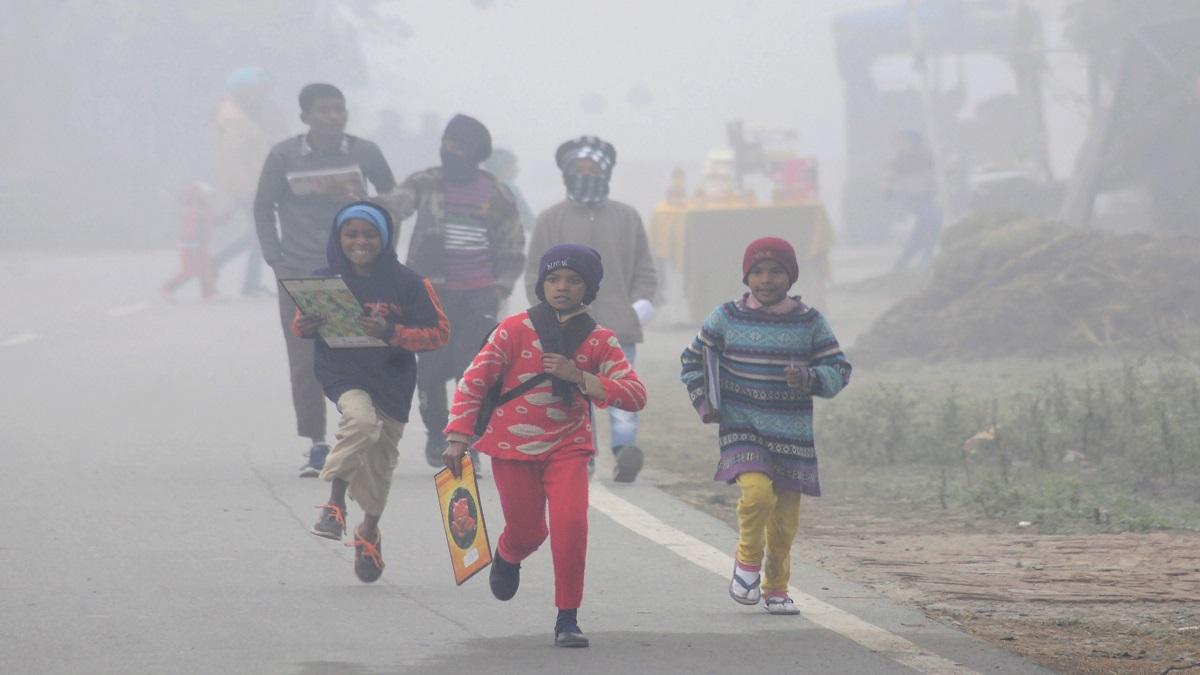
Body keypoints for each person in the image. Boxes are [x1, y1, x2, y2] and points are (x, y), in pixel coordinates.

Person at [442, 244, 647, 648]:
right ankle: (507, 553)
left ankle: (567, 618)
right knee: (529, 531)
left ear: (588, 288)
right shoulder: (514, 329)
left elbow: (635, 395)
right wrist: (457, 436)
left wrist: (581, 378)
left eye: (573, 280)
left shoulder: (600, 340)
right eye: (554, 279)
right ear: (541, 284)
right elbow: (474, 380)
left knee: (571, 524)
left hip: (568, 447)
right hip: (509, 447)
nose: (562, 287)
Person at [679, 237, 851, 615]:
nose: (766, 279)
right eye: (758, 271)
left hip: (791, 434)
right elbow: (692, 360)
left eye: (776, 271)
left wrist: (808, 377)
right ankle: (746, 564)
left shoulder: (809, 321)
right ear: (746, 276)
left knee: (785, 521)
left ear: (791, 276)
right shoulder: (725, 316)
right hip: (741, 426)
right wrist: (705, 401)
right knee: (756, 496)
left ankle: (776, 588)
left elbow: (839, 370)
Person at [297, 202, 449, 582]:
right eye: (352, 234)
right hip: (343, 373)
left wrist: (389, 332)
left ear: (384, 238)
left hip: (392, 380)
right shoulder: (323, 279)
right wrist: (310, 324)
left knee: (380, 466)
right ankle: (333, 507)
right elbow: (301, 325)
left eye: (369, 234)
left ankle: (368, 531)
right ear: (339, 238)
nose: (360, 242)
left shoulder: (409, 283)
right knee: (361, 423)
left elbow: (438, 334)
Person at [254, 83, 398, 477]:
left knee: (363, 355)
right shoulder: (283, 155)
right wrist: (275, 258)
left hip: (357, 268)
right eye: (324, 110)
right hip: (301, 272)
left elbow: (393, 198)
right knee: (305, 360)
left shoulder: (364, 152)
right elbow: (263, 206)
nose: (333, 116)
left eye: (339, 109)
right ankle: (316, 443)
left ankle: (362, 438)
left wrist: (384, 251)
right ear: (305, 118)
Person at [379, 114, 526, 468]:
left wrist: (500, 288)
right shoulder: (425, 183)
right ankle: (435, 433)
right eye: (446, 145)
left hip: (479, 295)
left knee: (471, 372)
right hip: (430, 294)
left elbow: (512, 247)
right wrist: (366, 202)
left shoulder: (498, 193)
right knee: (429, 371)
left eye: (459, 147)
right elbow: (396, 204)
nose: (450, 153)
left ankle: (468, 443)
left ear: (477, 153)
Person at [524, 136, 657, 482]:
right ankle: (581, 456)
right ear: (566, 174)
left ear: (607, 173)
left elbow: (646, 272)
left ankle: (624, 451)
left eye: (593, 169)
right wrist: (545, 313)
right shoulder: (549, 219)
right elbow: (533, 273)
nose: (586, 175)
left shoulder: (627, 217)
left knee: (620, 388)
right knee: (572, 393)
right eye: (579, 169)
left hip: (618, 327)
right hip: (565, 327)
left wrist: (637, 310)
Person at [211, 66, 287, 296]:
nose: (264, 95)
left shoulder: (246, 116)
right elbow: (232, 161)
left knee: (256, 234)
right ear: (243, 91)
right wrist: (242, 192)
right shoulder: (235, 121)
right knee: (259, 235)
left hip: (254, 185)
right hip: (248, 187)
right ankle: (249, 283)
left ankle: (215, 265)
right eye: (259, 90)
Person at [161, 182, 226, 302]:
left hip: (201, 244)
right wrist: (196, 241)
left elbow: (215, 221)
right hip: (191, 245)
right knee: (189, 271)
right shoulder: (194, 210)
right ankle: (167, 289)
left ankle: (209, 294)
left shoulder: (205, 209)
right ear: (199, 196)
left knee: (206, 269)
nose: (210, 198)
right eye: (207, 195)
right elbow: (191, 230)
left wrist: (227, 215)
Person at [887, 129, 942, 271]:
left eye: (904, 141)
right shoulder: (901, 159)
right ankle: (926, 257)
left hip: (926, 197)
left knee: (923, 229)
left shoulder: (925, 155)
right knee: (933, 222)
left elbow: (934, 174)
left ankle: (903, 262)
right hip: (915, 199)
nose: (901, 144)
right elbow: (892, 180)